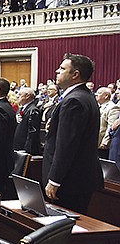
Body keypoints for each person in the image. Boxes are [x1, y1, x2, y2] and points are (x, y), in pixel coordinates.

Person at [44, 54, 103, 214]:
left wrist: (55, 180)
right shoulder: (84, 96)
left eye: (62, 68)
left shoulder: (74, 101)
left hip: (70, 180)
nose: (57, 71)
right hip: (78, 177)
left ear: (75, 74)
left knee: (63, 229)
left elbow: (66, 145)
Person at [13, 87, 42, 155]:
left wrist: (27, 150)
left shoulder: (33, 110)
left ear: (27, 96)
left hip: (25, 149)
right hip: (17, 146)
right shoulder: (21, 109)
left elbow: (32, 133)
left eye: (20, 95)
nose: (17, 96)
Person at [95, 87, 120, 159]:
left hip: (102, 144)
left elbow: (111, 126)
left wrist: (105, 142)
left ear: (106, 96)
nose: (96, 94)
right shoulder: (98, 106)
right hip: (95, 142)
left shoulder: (112, 107)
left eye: (99, 93)